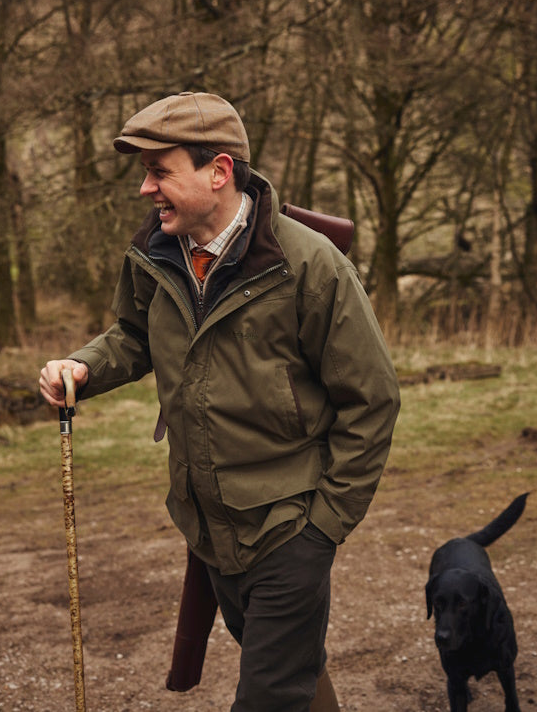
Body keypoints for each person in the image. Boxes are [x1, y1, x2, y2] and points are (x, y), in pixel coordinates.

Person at [39, 91, 401, 712]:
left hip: (290, 526)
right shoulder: (152, 254)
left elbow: (371, 400)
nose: (146, 190)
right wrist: (84, 366)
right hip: (207, 524)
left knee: (267, 694)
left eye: (159, 172)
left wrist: (325, 527)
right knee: (292, 674)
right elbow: (133, 334)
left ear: (219, 170)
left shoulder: (310, 265)